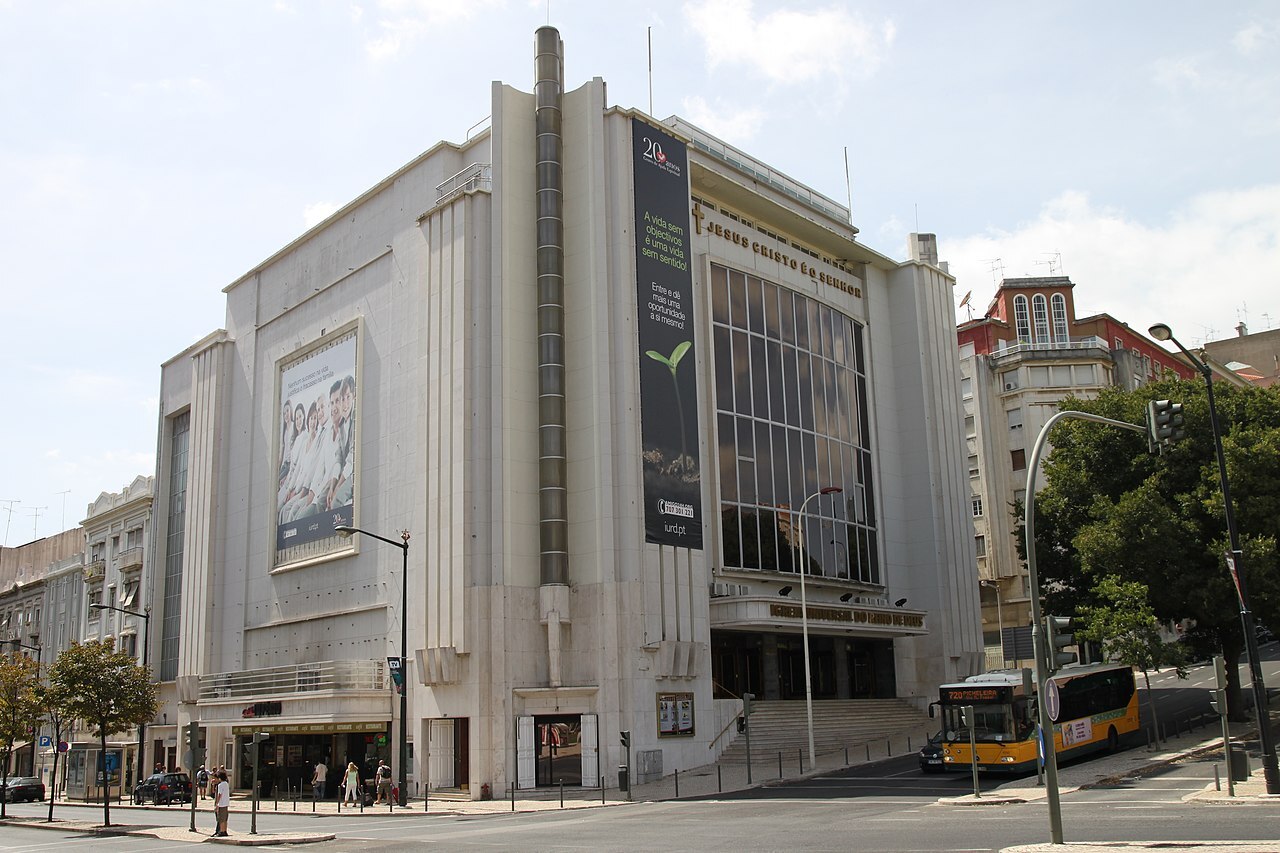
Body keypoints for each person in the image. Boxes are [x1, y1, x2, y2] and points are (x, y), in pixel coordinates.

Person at [213, 770, 230, 837]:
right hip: (226, 803)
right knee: (225, 818)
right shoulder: (226, 784)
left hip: (222, 803)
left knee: (221, 819)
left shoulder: (220, 785)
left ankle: (222, 831)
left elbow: (219, 794)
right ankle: (225, 830)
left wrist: (217, 803)